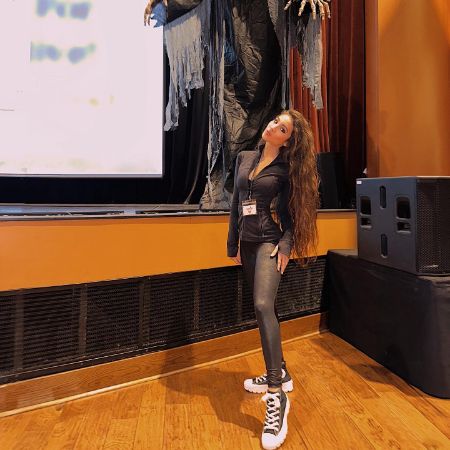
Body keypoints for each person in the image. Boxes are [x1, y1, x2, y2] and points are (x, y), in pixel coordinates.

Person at [227, 109, 319, 450]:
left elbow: (295, 212)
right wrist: (232, 243)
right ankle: (280, 370)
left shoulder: (286, 169)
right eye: (276, 121)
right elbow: (236, 203)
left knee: (263, 304)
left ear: (288, 141)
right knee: (264, 309)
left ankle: (277, 394)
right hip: (247, 244)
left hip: (269, 242)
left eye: (283, 129)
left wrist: (287, 244)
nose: (274, 127)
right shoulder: (245, 158)